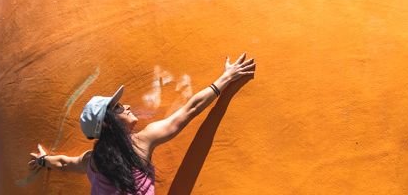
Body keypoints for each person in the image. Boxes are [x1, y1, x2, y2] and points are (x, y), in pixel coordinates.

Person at [28, 52, 256, 194]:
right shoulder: (141, 143)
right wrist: (226, 77)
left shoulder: (92, 161)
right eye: (117, 107)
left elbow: (65, 163)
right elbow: (191, 109)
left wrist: (43, 160)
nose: (125, 106)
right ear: (107, 124)